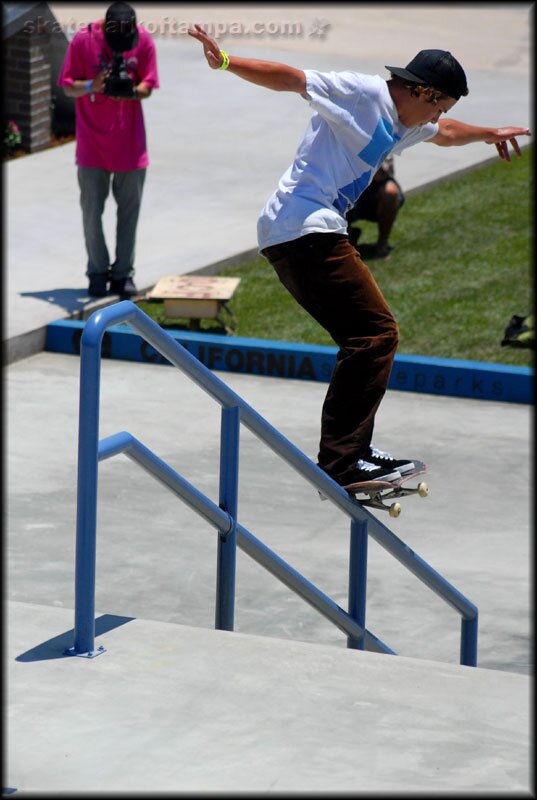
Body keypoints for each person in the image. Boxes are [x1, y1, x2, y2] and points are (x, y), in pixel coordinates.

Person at [188, 26, 530, 489]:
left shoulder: (408, 121)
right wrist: (226, 62)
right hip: (303, 226)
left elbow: (444, 133)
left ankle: (354, 454)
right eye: (437, 104)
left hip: (302, 231)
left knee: (366, 336)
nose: (434, 117)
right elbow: (292, 78)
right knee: (375, 333)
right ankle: (343, 461)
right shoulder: (362, 92)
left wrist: (487, 133)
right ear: (419, 90)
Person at [58, 2, 159, 298]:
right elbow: (67, 87)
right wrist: (93, 84)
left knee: (130, 213)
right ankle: (97, 272)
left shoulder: (143, 40)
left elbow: (148, 86)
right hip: (92, 144)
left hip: (130, 143)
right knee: (91, 211)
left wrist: (132, 91)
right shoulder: (83, 40)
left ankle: (123, 274)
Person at [346, 154, 405, 259]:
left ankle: (382, 244)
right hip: (347, 189)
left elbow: (380, 176)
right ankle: (348, 237)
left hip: (373, 191)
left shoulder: (381, 140)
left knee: (389, 191)